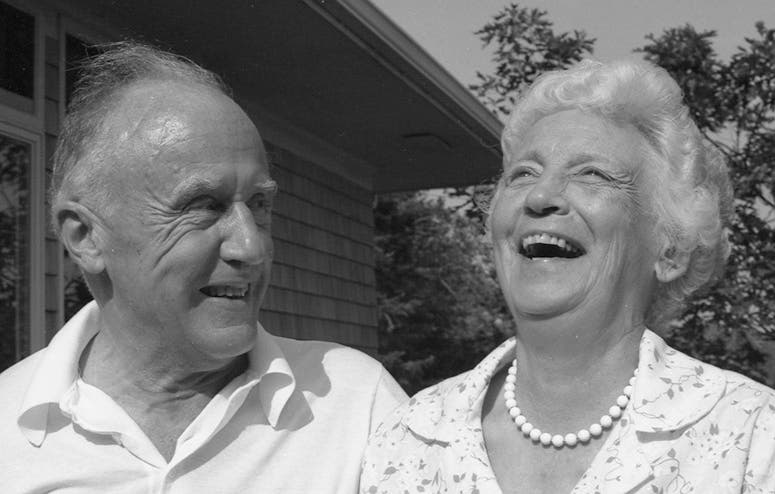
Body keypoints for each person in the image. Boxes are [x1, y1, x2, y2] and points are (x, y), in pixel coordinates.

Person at [0, 42, 406, 493]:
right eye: (203, 206)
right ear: (85, 237)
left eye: (259, 204)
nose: (251, 247)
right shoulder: (7, 436)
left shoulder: (355, 406)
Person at [360, 59, 775, 493]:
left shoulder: (752, 437)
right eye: (523, 174)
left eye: (591, 174)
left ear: (670, 248)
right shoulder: (407, 439)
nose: (540, 197)